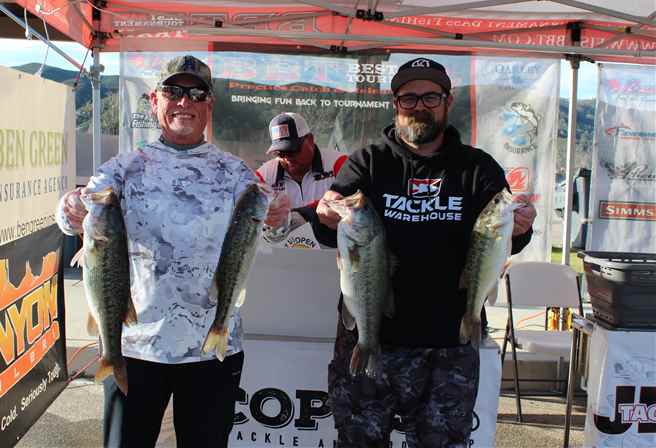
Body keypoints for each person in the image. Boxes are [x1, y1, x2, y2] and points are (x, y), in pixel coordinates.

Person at [316, 57, 537, 447]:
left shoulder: (478, 168)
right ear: (396, 104)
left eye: (430, 97)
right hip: (373, 337)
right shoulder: (368, 162)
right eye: (409, 98)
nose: (420, 106)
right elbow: (331, 223)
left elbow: (502, 240)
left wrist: (521, 227)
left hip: (448, 343)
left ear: (447, 102)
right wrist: (327, 213)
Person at [56, 55, 256, 448]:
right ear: (154, 100)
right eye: (173, 91)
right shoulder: (123, 169)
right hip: (134, 347)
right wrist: (69, 207)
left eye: (196, 94)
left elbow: (274, 229)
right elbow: (71, 218)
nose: (184, 102)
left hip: (212, 350)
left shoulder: (236, 174)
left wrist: (280, 215)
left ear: (209, 104)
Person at [256, 112, 347, 247]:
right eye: (281, 153)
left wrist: (306, 214)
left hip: (335, 251)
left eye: (292, 151)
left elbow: (353, 201)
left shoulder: (339, 163)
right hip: (283, 254)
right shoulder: (263, 176)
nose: (287, 159)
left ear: (310, 140)